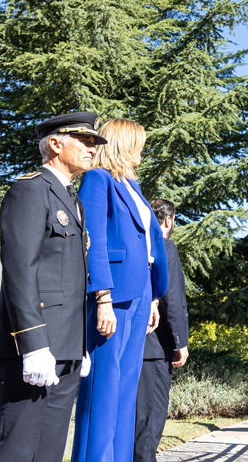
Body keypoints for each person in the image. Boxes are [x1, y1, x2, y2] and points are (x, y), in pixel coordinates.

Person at [0, 112, 106, 462]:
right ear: (56, 143)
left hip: (66, 344)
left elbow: (70, 278)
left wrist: (79, 343)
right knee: (17, 450)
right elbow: (20, 271)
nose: (91, 149)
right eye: (84, 141)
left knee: (49, 452)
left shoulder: (73, 199)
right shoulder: (30, 189)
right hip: (34, 345)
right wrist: (33, 343)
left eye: (93, 143)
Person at [72, 118, 168, 462]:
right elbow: (92, 241)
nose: (142, 153)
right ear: (122, 144)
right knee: (102, 391)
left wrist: (154, 297)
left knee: (126, 392)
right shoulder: (98, 180)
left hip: (140, 296)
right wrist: (103, 297)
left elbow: (149, 244)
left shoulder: (132, 185)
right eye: (137, 145)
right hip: (113, 296)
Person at [133, 199, 189, 462]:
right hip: (155, 349)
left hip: (132, 348)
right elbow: (172, 298)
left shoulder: (137, 246)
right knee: (149, 424)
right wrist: (181, 342)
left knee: (132, 422)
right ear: (168, 220)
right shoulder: (165, 247)